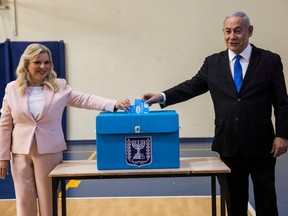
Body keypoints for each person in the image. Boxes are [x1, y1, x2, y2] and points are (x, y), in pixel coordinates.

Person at [142, 11, 288, 216]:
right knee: (234, 200)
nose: (232, 36)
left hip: (262, 144)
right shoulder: (213, 63)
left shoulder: (269, 61)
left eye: (238, 31)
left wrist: (282, 135)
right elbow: (191, 86)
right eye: (227, 31)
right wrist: (163, 96)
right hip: (228, 143)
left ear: (250, 31)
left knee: (266, 199)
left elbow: (282, 102)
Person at [0, 43, 130, 216]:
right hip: (19, 153)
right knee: (24, 200)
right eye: (37, 62)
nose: (43, 67)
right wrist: (2, 157)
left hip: (49, 151)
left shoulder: (59, 86)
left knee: (49, 201)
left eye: (47, 62)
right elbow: (5, 124)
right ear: (26, 64)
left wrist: (114, 104)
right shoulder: (12, 89)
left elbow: (86, 99)